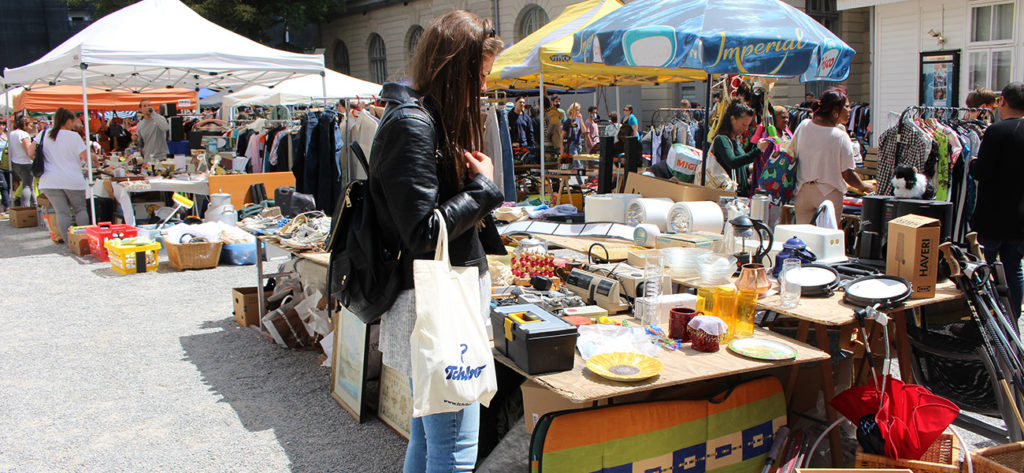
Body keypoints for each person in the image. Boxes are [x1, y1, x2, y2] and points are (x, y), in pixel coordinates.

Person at [369, 10, 505, 473]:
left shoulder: (422, 117)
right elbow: (424, 233)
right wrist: (482, 191)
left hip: (437, 304)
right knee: (453, 449)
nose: (481, 88)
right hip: (436, 306)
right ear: (456, 69)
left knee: (431, 440)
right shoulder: (413, 123)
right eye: (479, 75)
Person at [970, 82, 1024, 320]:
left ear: (1003, 102)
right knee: (1014, 269)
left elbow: (982, 171)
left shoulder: (996, 131)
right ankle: (1013, 318)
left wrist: (971, 163)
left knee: (983, 267)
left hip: (992, 215)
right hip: (1020, 216)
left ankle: (983, 319)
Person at [791, 88, 873, 224]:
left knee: (803, 238)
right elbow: (847, 174)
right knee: (828, 240)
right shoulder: (840, 136)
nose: (850, 110)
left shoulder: (803, 125)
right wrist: (863, 186)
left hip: (802, 191)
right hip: (828, 194)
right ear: (835, 111)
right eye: (846, 106)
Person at [38, 107, 100, 242]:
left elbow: (31, 153)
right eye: (72, 121)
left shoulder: (44, 134)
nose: (73, 124)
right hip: (72, 179)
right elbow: (85, 157)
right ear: (67, 121)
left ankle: (69, 242)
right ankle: (83, 240)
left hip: (50, 180)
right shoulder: (73, 136)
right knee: (80, 209)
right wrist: (94, 157)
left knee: (61, 212)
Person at [711, 101, 769, 196]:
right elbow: (732, 162)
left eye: (747, 125)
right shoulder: (722, 140)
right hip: (728, 196)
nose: (746, 129)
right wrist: (757, 150)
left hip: (739, 195)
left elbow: (740, 167)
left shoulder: (735, 141)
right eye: (744, 124)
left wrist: (752, 168)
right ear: (733, 119)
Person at [9, 116, 38, 207]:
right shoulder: (23, 135)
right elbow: (29, 152)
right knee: (27, 186)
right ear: (24, 125)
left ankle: (34, 205)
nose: (31, 127)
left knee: (29, 186)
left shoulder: (12, 133)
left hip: (16, 163)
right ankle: (25, 207)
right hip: (25, 163)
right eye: (30, 125)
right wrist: (36, 161)